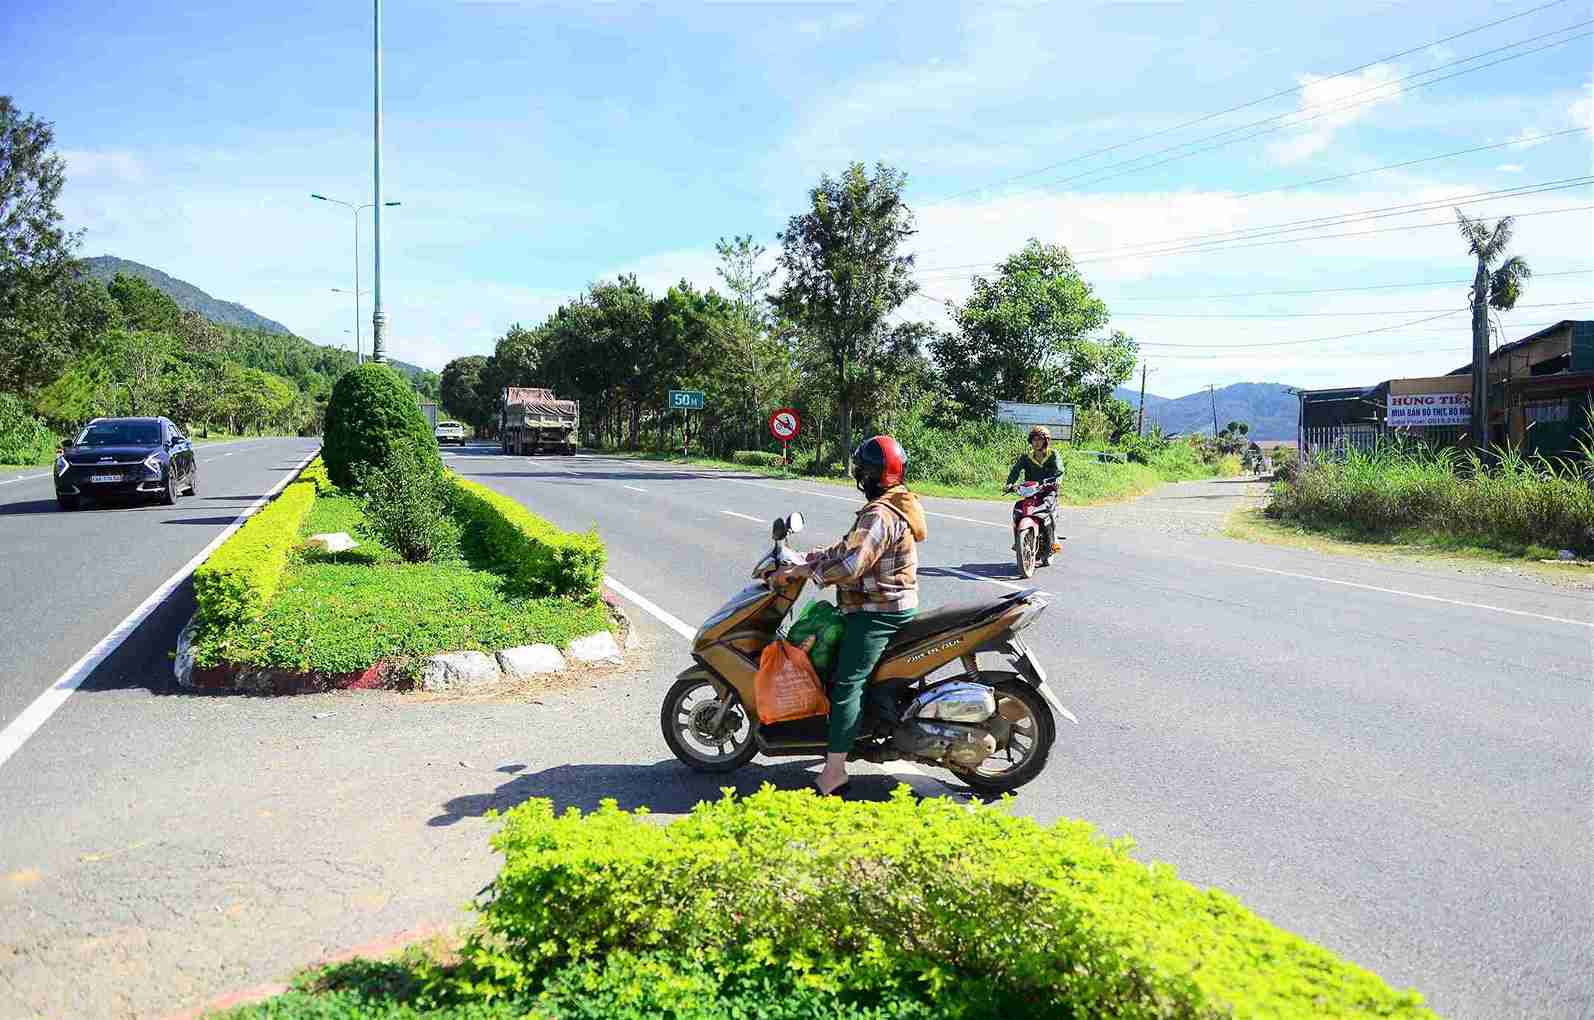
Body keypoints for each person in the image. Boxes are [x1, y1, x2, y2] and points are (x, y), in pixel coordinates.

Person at [771, 435, 927, 797]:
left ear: (870, 474)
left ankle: (835, 771)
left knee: (847, 684)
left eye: (862, 469)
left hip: (878, 612)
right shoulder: (895, 504)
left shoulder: (881, 512)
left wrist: (807, 573)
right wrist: (813, 557)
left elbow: (854, 564)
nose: (858, 474)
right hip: (888, 604)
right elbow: (851, 547)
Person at [1004, 425, 1062, 565]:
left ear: (1046, 441)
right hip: (1031, 491)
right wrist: (1009, 484)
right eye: (1034, 439)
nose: (1036, 442)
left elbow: (1059, 470)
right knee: (1018, 510)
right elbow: (1015, 471)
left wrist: (1057, 481)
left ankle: (1053, 542)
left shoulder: (1053, 455)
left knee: (1048, 511)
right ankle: (1019, 540)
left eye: (1040, 439)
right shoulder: (1026, 457)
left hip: (1048, 491)